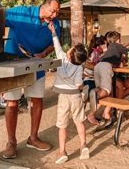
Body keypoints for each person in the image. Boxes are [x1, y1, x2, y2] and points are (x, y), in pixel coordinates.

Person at [0, 0, 61, 159]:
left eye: (58, 12)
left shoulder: (55, 23)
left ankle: (33, 138)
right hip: (14, 66)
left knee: (37, 100)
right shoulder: (22, 13)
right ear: (43, 7)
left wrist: (44, 53)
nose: (55, 15)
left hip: (36, 65)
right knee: (12, 102)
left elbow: (53, 42)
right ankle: (11, 142)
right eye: (53, 11)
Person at [47, 21, 90, 164]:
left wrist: (53, 32)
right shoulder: (79, 66)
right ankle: (83, 145)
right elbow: (79, 84)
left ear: (70, 55)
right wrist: (81, 85)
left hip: (63, 96)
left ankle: (62, 151)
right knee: (79, 121)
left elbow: (57, 45)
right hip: (75, 96)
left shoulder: (61, 58)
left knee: (62, 125)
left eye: (71, 49)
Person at [87, 31, 129, 123]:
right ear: (118, 40)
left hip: (98, 67)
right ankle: (96, 97)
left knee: (100, 88)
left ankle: (93, 94)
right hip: (105, 68)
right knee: (107, 90)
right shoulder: (118, 46)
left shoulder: (110, 47)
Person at [82, 34, 108, 105]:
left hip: (88, 79)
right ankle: (88, 94)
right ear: (99, 45)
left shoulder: (93, 53)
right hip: (91, 78)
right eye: (105, 44)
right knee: (103, 89)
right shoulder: (95, 54)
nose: (106, 46)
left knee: (95, 89)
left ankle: (86, 93)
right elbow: (88, 64)